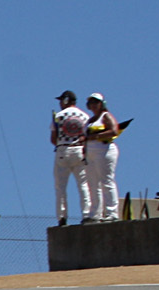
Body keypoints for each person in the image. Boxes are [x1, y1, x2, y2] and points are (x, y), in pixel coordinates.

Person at [50, 90, 91, 223]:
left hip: (63, 150)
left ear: (66, 101)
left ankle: (62, 216)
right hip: (80, 151)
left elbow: (53, 139)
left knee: (60, 187)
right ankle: (86, 214)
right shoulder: (85, 116)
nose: (60, 103)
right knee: (83, 185)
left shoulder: (58, 116)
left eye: (61, 100)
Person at [82, 94, 122, 222]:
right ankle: (95, 213)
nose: (94, 105)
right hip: (90, 153)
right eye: (91, 102)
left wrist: (95, 136)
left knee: (106, 180)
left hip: (104, 150)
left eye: (96, 102)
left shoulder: (106, 116)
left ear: (102, 104)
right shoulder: (90, 120)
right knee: (93, 183)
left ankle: (112, 212)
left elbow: (114, 131)